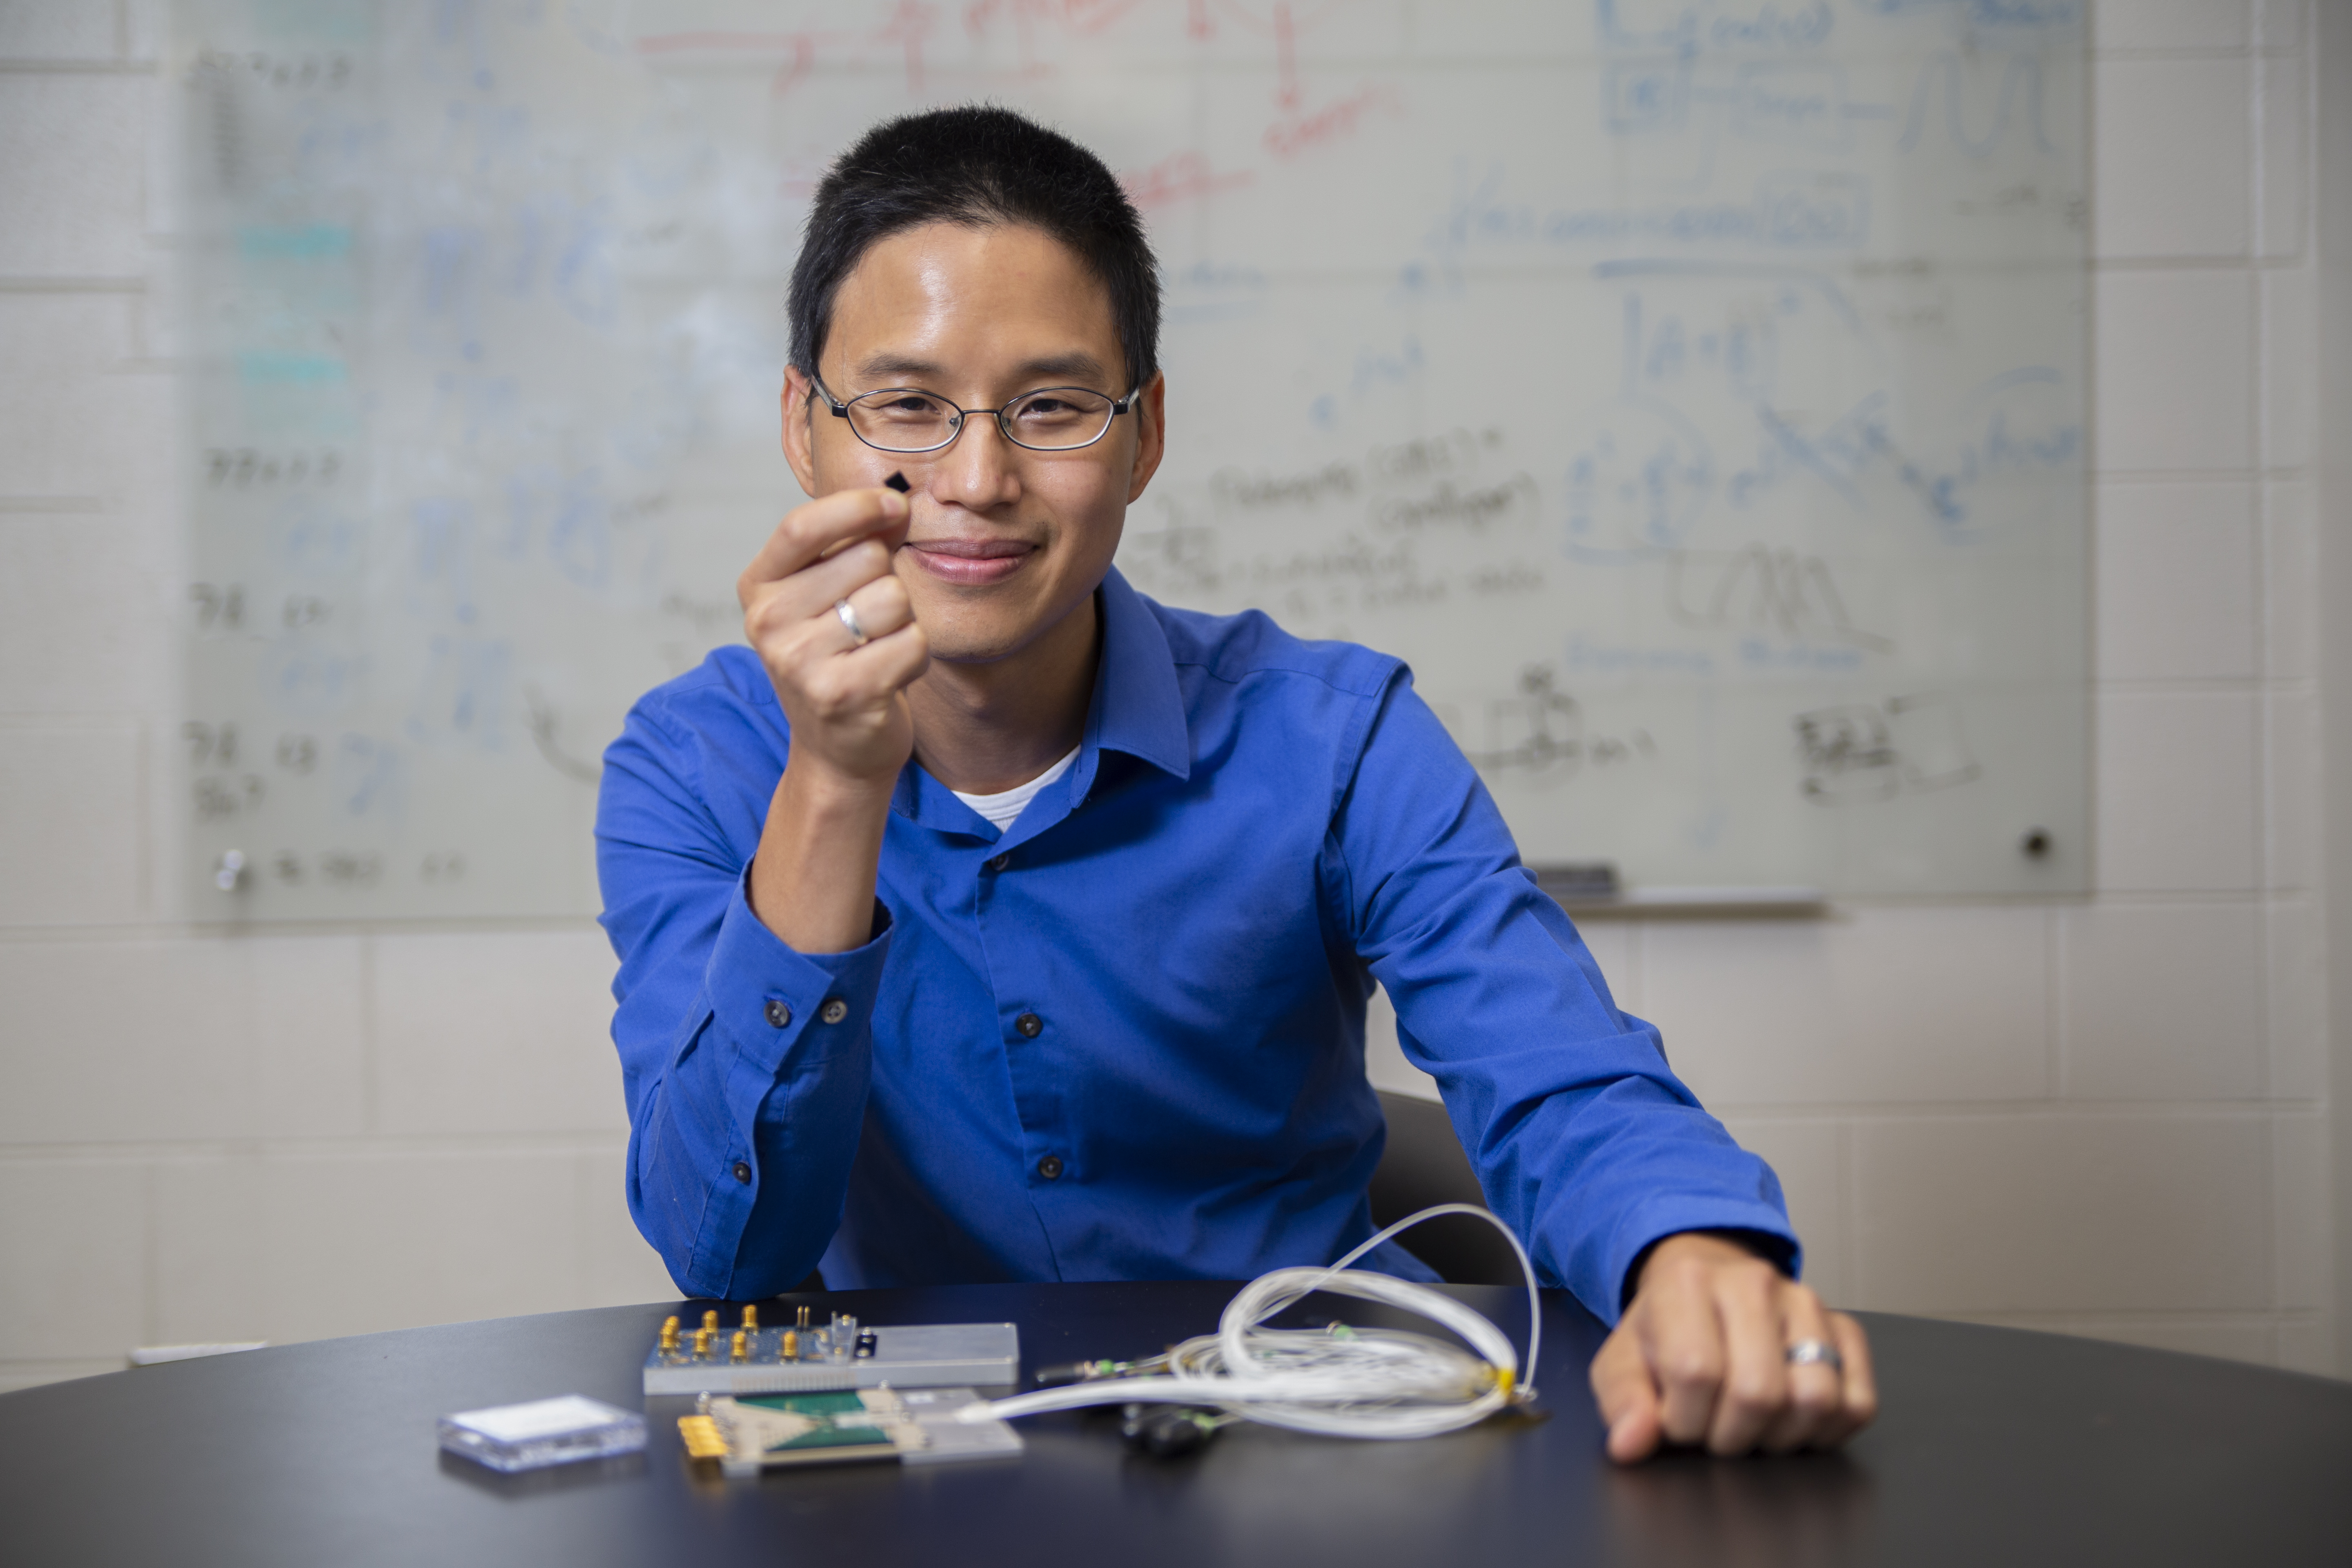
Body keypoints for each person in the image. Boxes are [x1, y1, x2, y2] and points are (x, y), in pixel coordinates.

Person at [596, 105, 1875, 1463]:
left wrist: (1693, 1253)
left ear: (1144, 438)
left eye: (1053, 407)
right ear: (808, 427)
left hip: (1319, 1443)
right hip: (931, 1468)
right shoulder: (693, 767)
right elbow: (724, 1251)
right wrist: (835, 785)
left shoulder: (1335, 736)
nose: (977, 479)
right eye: (909, 406)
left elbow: (1552, 1065)